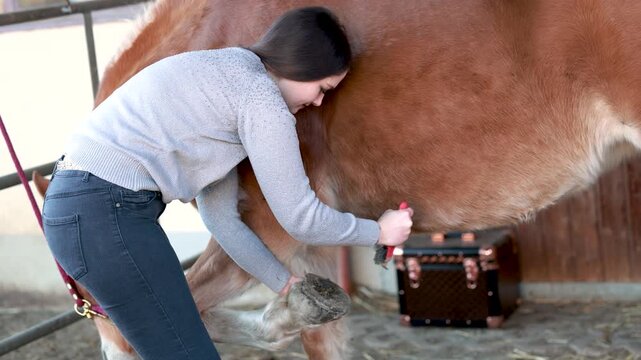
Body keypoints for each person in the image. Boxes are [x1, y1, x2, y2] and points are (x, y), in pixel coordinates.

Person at [42, 6, 413, 360]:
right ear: (301, 66)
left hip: (86, 208)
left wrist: (284, 284)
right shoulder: (261, 100)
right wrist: (378, 232)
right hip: (102, 213)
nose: (318, 102)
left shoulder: (227, 79)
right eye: (322, 88)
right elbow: (300, 217)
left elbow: (222, 221)